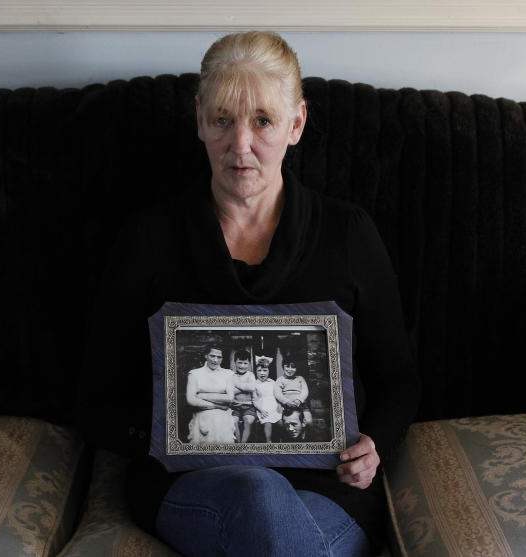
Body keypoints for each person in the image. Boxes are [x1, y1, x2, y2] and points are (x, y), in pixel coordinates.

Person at [77, 30, 419, 556]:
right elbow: (96, 394)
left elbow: (397, 380)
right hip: (191, 483)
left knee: (275, 516)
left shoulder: (347, 234)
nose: (240, 145)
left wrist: (373, 445)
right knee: (257, 491)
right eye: (222, 120)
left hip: (327, 491)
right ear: (199, 120)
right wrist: (165, 430)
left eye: (262, 120)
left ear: (296, 123)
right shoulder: (150, 238)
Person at [186, 346, 236, 443]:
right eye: (212, 356)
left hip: (223, 417)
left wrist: (201, 395)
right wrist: (218, 405)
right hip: (202, 416)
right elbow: (191, 400)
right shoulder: (194, 374)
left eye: (219, 357)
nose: (215, 360)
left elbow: (230, 398)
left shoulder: (228, 374)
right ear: (206, 356)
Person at [274, 355, 313, 427]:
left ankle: (305, 437)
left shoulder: (300, 379)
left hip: (301, 405)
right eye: (287, 366)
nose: (290, 369)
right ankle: (287, 437)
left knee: (308, 421)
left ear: (297, 368)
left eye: (293, 367)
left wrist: (299, 400)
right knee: (281, 423)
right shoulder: (280, 380)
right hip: (286, 406)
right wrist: (286, 401)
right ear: (283, 367)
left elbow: (305, 391)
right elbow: (277, 393)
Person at [229, 349, 258, 443]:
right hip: (234, 407)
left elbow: (252, 387)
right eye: (239, 363)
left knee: (248, 420)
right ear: (234, 363)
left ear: (249, 364)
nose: (242, 366)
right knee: (233, 421)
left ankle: (243, 444)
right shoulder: (231, 375)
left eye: (245, 363)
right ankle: (238, 444)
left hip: (249, 407)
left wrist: (236, 384)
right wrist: (244, 387)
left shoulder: (250, 375)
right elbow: (230, 391)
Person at [252, 356, 281, 443]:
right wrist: (261, 410)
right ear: (256, 372)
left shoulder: (272, 382)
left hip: (274, 405)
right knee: (267, 422)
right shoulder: (254, 384)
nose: (262, 373)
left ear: (269, 372)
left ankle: (281, 439)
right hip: (263, 407)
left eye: (265, 370)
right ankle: (268, 441)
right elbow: (254, 400)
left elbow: (277, 394)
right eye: (259, 371)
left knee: (280, 422)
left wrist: (279, 405)